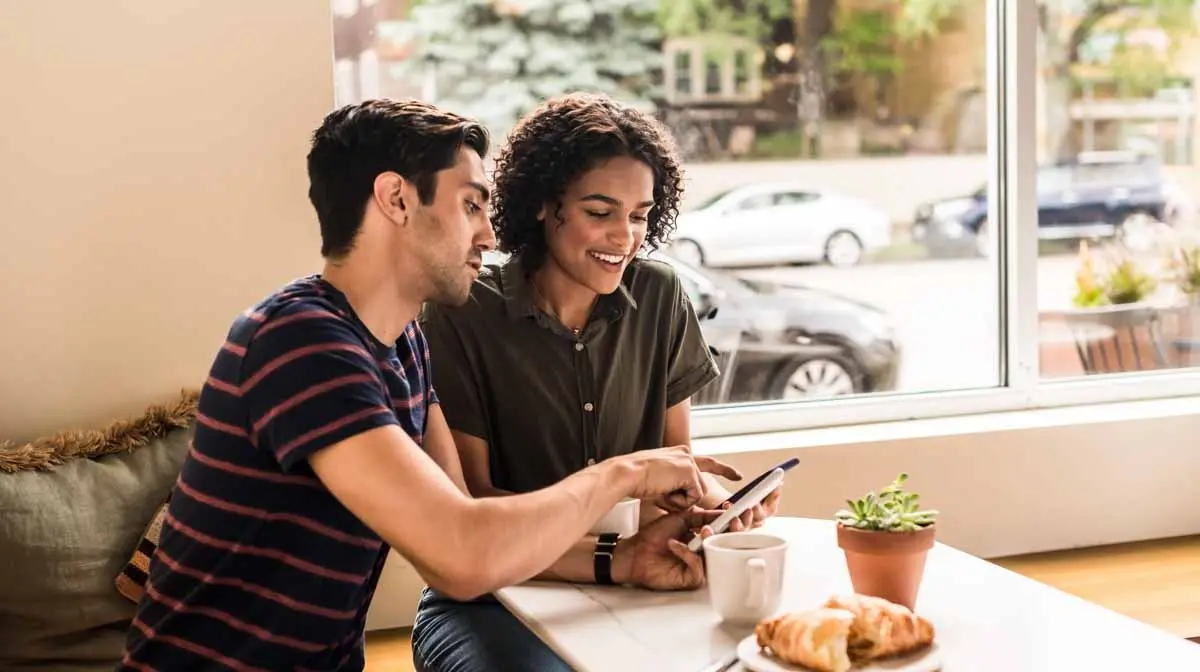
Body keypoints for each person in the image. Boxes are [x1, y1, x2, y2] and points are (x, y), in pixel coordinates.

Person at [116, 99, 741, 672]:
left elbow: (470, 523)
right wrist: (624, 473)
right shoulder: (299, 341)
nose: (489, 234)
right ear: (396, 199)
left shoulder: (401, 346)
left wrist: (622, 559)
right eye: (470, 205)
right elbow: (461, 558)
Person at [413, 92, 782, 672]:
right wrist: (617, 551)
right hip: (496, 599)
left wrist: (716, 507)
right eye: (600, 212)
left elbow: (676, 470)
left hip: (638, 579)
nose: (624, 237)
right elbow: (474, 506)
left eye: (638, 215)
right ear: (544, 205)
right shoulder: (464, 311)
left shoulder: (660, 296)